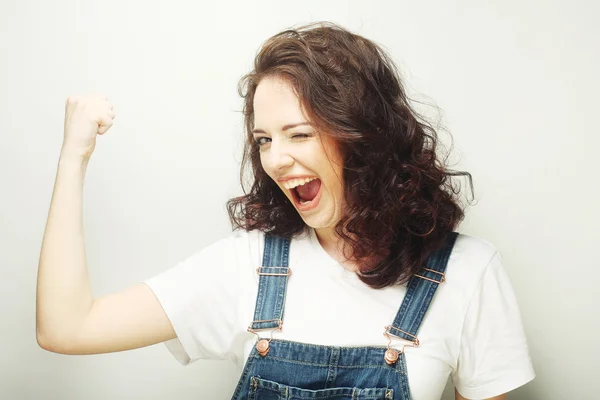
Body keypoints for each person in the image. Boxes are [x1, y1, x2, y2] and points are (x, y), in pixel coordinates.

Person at [36, 22, 535, 400]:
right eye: (263, 140)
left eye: (299, 134)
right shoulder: (247, 265)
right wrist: (72, 158)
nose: (275, 158)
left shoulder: (468, 272)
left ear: (365, 137)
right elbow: (66, 328)